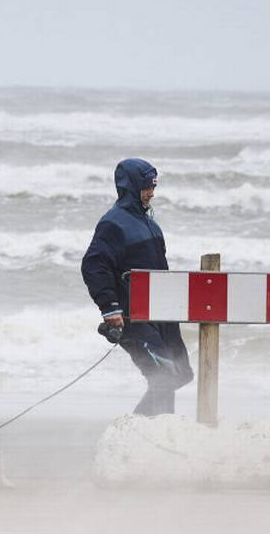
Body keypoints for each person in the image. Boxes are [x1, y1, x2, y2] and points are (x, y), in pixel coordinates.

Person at [81, 158, 194, 416]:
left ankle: (163, 425)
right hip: (133, 319)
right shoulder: (113, 224)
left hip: (161, 315)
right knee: (163, 375)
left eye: (153, 186)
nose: (151, 193)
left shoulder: (151, 225)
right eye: (146, 187)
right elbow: (93, 266)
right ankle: (136, 431)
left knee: (181, 373)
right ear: (130, 186)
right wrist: (110, 309)